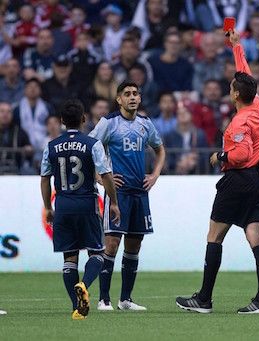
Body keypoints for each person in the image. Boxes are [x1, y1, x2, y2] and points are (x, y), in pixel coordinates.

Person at [175, 29, 259, 314]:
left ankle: (204, 299)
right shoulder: (258, 108)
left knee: (214, 236)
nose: (229, 91)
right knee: (256, 237)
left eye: (231, 88)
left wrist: (221, 156)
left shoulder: (241, 121)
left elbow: (240, 155)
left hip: (238, 180)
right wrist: (236, 47)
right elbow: (246, 75)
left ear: (237, 94)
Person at [40, 99, 121, 320]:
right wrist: (113, 202)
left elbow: (45, 179)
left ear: (62, 121)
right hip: (87, 203)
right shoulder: (92, 144)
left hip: (63, 205)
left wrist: (48, 206)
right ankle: (84, 285)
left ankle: (77, 307)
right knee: (97, 253)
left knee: (69, 258)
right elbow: (105, 174)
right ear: (84, 119)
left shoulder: (51, 146)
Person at [89, 81, 166, 311]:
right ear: (119, 99)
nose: (132, 97)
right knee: (111, 244)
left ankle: (125, 299)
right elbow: (90, 147)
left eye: (135, 94)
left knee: (134, 245)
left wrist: (154, 175)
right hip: (118, 193)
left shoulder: (145, 124)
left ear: (139, 99)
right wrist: (99, 177)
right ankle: (104, 299)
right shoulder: (109, 123)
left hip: (140, 193)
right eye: (127, 94)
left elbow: (160, 149)